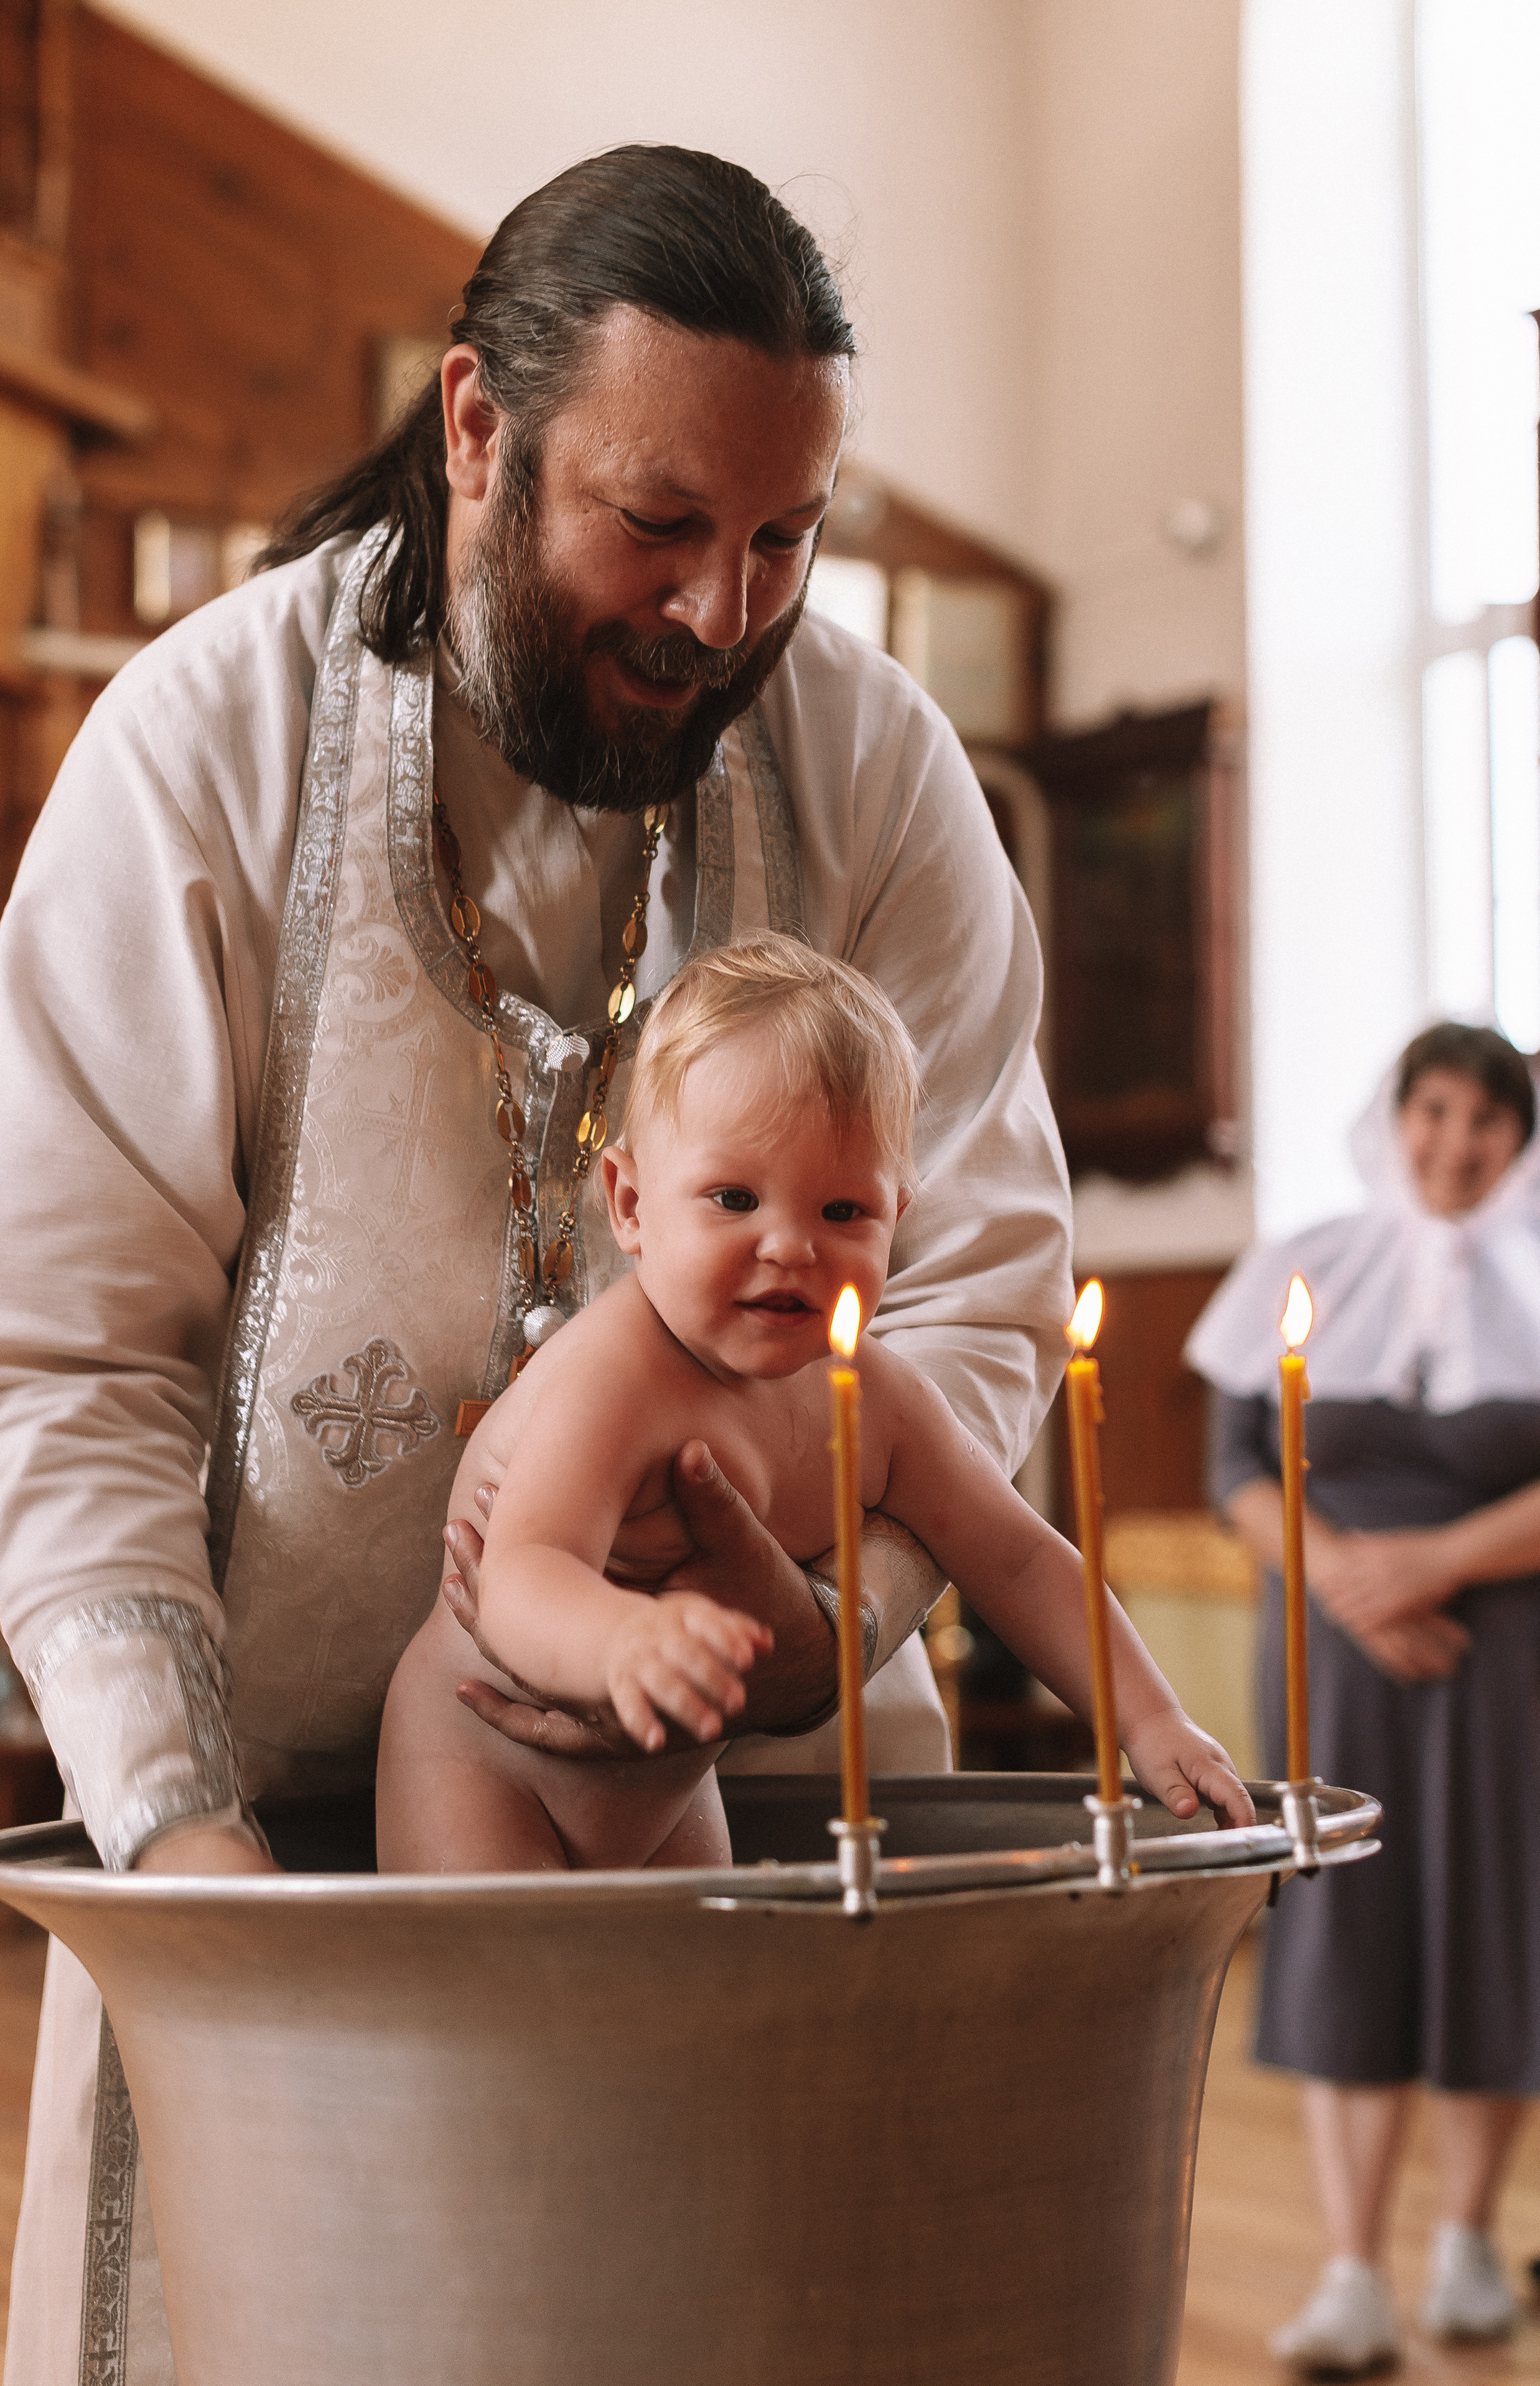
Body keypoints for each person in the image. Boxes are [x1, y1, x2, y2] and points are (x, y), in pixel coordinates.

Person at [0, 149, 1073, 2384]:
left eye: (784, 537)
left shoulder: (872, 768)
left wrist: (798, 1636)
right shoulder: (204, 747)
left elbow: (975, 1288)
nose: (722, 613)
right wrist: (194, 1877)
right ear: (478, 429)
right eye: (656, 524)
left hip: (762, 1840)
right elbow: (62, 1358)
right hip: (276, 1866)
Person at [379, 938, 1251, 1873]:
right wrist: (621, 1639)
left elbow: (1023, 1561)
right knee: (509, 2013)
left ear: (897, 1215)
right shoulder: (612, 1375)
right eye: (734, 1198)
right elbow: (515, 1577)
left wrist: (1152, 1719)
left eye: (843, 1212)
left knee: (690, 2012)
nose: (790, 1246)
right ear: (631, 1203)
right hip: (485, 1767)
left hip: (671, 1793)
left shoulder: (877, 1403)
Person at [1187, 1022, 1540, 2375]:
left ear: (1517, 1143)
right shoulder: (1304, 1262)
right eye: (1432, 1112)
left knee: (1489, 1924)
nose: (1453, 1145)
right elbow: (1233, 1461)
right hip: (1330, 1646)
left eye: (1484, 1124)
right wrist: (1342, 1579)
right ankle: (1348, 2270)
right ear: (1391, 1116)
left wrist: (1434, 1563)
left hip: (1501, 1650)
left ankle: (1461, 2241)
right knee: (1350, 1927)